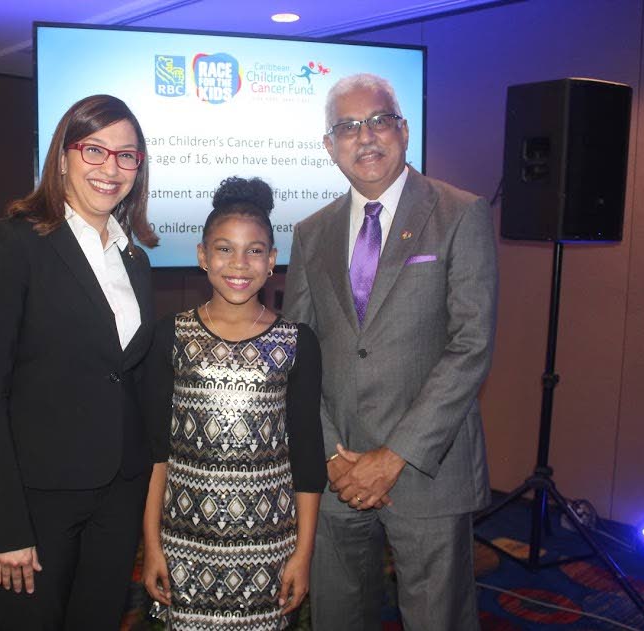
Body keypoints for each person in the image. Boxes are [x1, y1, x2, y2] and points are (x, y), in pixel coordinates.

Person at [283, 73, 498, 630]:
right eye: (348, 127)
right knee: (338, 616)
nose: (367, 136)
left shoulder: (460, 213)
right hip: (337, 474)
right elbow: (297, 352)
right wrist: (331, 453)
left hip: (427, 468)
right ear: (329, 146)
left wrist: (392, 456)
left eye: (379, 120)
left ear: (403, 130)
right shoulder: (310, 233)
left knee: (437, 619)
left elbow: (470, 346)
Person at [0, 94, 159, 630]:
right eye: (94, 149)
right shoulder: (15, 242)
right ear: (64, 156)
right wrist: (5, 527)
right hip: (38, 496)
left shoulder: (135, 257)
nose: (110, 168)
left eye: (127, 156)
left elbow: (128, 376)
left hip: (118, 492)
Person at [141, 176, 326, 630]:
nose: (239, 263)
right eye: (224, 249)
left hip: (269, 546)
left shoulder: (297, 342)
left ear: (272, 260)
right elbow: (155, 453)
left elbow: (306, 456)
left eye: (254, 250)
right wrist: (152, 545)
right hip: (185, 540)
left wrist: (303, 554)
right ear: (202, 257)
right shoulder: (171, 335)